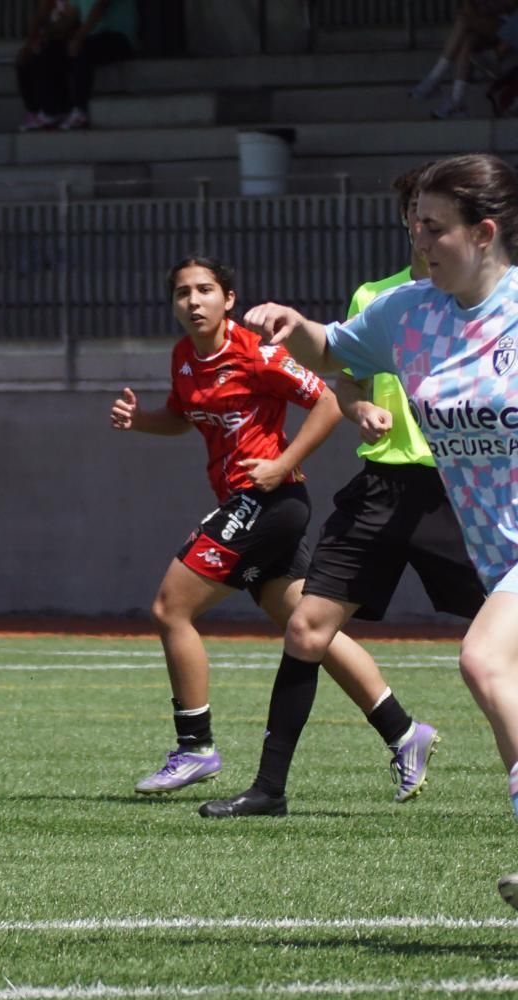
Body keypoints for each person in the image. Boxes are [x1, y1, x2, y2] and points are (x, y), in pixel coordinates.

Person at [243, 153, 518, 905]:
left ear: (485, 231)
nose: (418, 241)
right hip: (499, 556)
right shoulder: (408, 312)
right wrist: (293, 326)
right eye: (412, 226)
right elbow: (333, 350)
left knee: (486, 661)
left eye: (433, 228)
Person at [203, 168, 485, 816]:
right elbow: (344, 375)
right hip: (383, 488)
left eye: (435, 218)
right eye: (415, 216)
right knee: (305, 626)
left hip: (458, 492)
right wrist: (359, 409)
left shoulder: (488, 304)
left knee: (498, 640)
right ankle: (268, 789)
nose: (424, 229)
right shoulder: (378, 298)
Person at [110, 256, 403, 815]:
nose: (192, 302)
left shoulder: (257, 351)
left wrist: (282, 462)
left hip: (270, 500)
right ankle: (401, 729)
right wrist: (141, 419)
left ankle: (195, 746)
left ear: (229, 299)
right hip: (248, 504)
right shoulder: (184, 358)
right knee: (304, 626)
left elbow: (326, 399)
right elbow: (181, 415)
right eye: (181, 294)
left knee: (170, 607)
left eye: (204, 291)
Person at [15, 0, 138, 131]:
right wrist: (44, 36)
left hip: (120, 38)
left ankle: (80, 111)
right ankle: (51, 111)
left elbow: (101, 6)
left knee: (82, 49)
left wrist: (79, 37)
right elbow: (69, 19)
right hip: (91, 38)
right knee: (47, 51)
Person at [409, 0, 518, 120]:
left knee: (463, 20)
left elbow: (510, 5)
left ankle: (434, 78)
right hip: (486, 21)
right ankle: (457, 100)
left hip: (507, 25)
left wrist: (490, 6)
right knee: (468, 39)